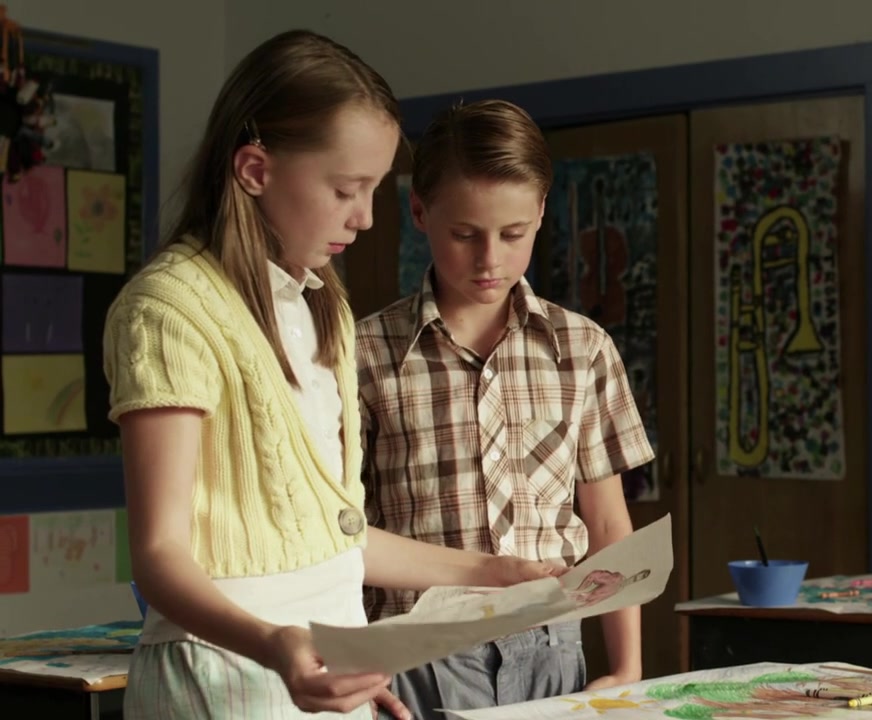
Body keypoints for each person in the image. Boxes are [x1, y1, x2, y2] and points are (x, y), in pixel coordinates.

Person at [103, 32, 563, 720]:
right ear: (254, 169)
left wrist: (488, 572)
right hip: (221, 677)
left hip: (328, 668)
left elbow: (334, 539)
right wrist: (275, 644)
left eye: (375, 189)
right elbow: (159, 555)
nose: (366, 217)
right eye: (347, 189)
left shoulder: (324, 305)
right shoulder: (168, 309)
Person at [356, 99, 655, 719]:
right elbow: (338, 531)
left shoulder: (583, 349)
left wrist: (627, 666)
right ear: (420, 212)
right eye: (465, 235)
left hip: (552, 646)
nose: (489, 259)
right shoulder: (363, 354)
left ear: (541, 211)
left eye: (513, 234)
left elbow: (607, 524)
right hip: (414, 652)